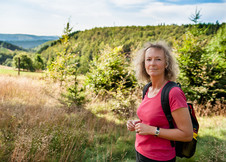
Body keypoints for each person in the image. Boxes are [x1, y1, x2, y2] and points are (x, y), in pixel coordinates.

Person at [127, 42, 193, 162]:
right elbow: (153, 119)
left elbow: (187, 134)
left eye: (158, 59)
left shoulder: (173, 93)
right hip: (140, 151)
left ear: (166, 63)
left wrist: (152, 130)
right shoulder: (147, 88)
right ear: (144, 64)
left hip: (160, 158)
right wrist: (136, 123)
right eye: (148, 59)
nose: (152, 63)